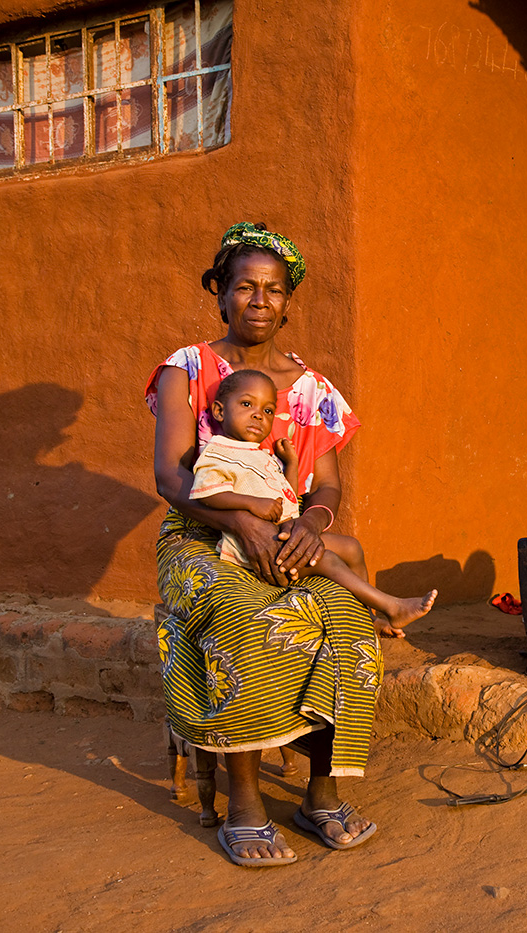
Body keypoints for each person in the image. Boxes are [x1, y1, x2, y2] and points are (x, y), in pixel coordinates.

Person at [147, 221, 394, 867]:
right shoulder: (190, 368)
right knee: (246, 614)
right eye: (245, 286)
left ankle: (321, 791)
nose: (260, 300)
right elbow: (171, 475)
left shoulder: (314, 391)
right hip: (199, 536)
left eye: (274, 289)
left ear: (290, 299)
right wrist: (241, 523)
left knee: (343, 617)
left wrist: (311, 523)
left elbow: (329, 485)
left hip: (287, 532)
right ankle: (247, 801)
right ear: (220, 292)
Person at [190, 368, 437, 633]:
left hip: (283, 536)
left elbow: (287, 493)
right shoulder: (217, 452)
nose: (258, 415)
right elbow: (206, 492)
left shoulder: (261, 455)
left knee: (351, 547)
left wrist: (292, 464)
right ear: (219, 411)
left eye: (268, 411)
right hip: (255, 552)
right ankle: (393, 607)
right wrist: (251, 503)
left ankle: (368, 618)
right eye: (247, 404)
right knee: (327, 559)